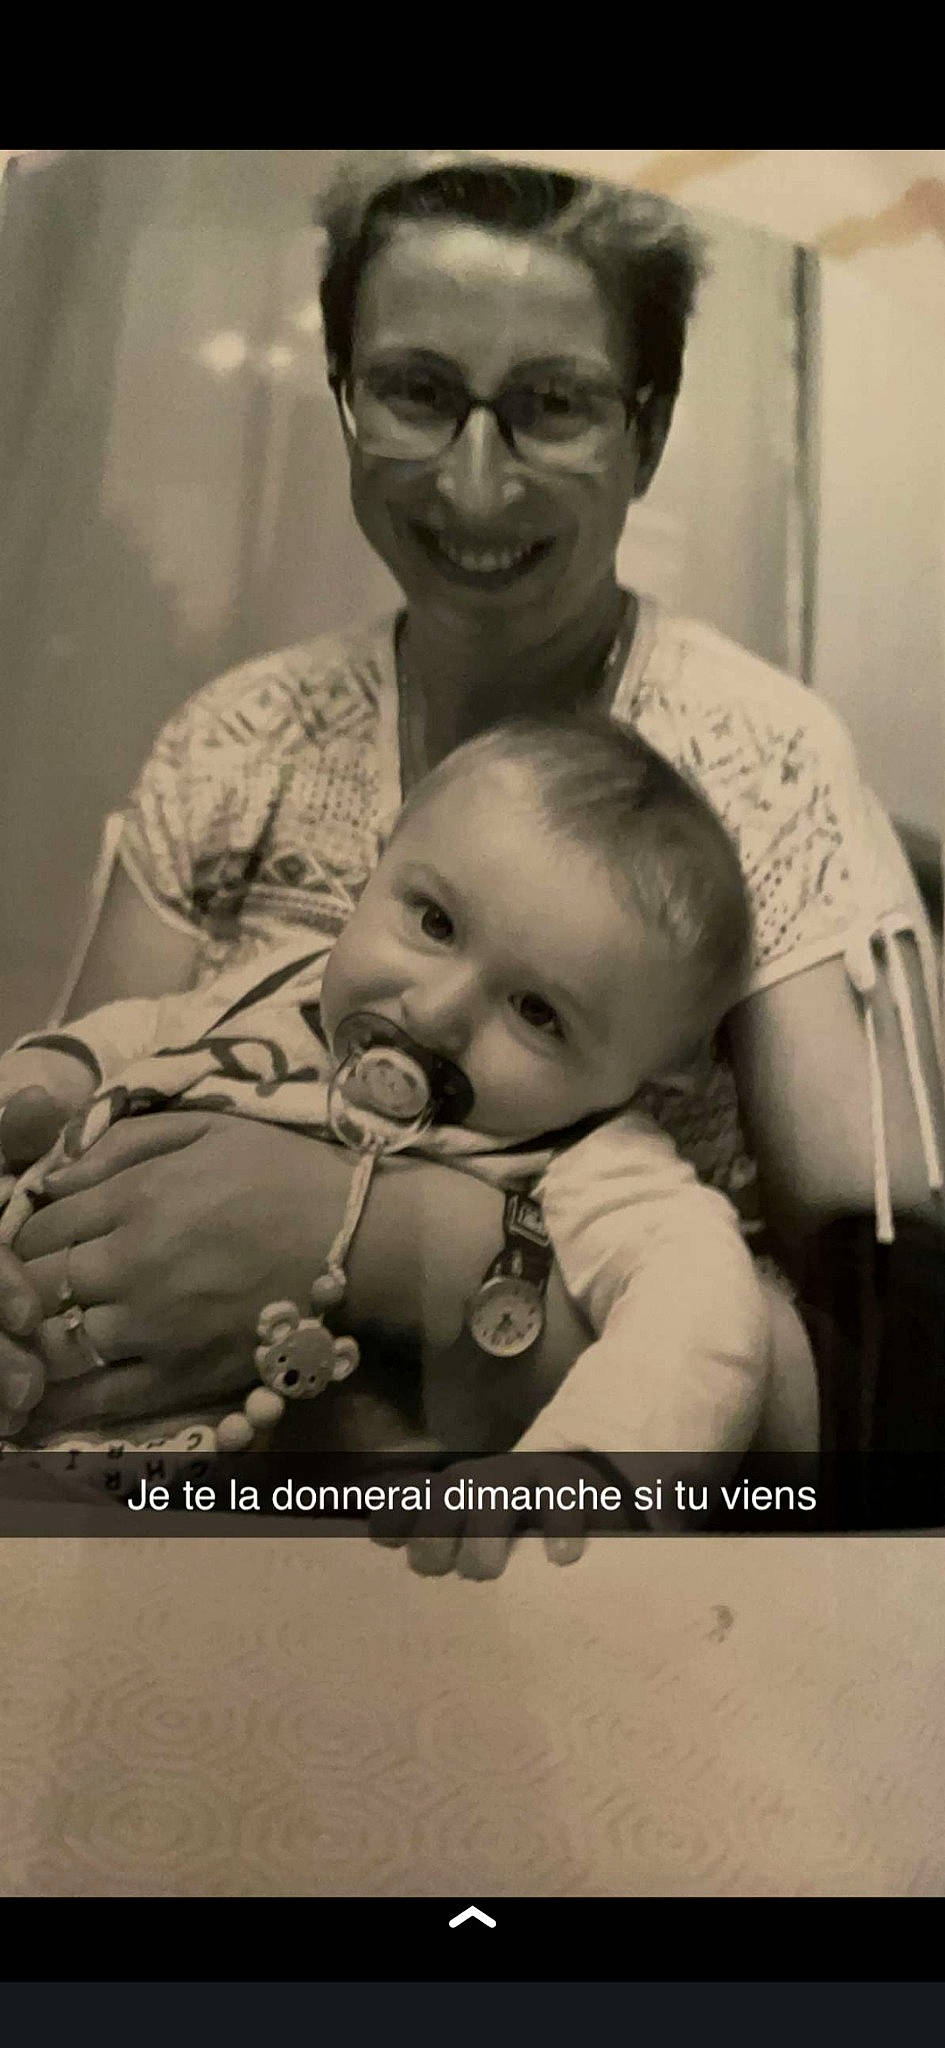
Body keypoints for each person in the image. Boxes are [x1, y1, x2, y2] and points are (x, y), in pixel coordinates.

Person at [0, 153, 940, 1572]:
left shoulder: (759, 763)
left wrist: (397, 1251)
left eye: (554, 404)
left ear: (647, 431)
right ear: (342, 397)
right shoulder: (238, 741)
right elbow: (80, 1103)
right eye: (415, 391)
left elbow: (886, 1399)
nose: (476, 482)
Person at [0, 716, 817, 1486]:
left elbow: (702, 1313)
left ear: (655, 1073)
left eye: (537, 1013)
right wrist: (51, 1079)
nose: (434, 1011)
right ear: (378, 859)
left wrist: (587, 1472)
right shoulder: (285, 984)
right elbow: (143, 1027)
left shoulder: (592, 1159)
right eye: (434, 923)